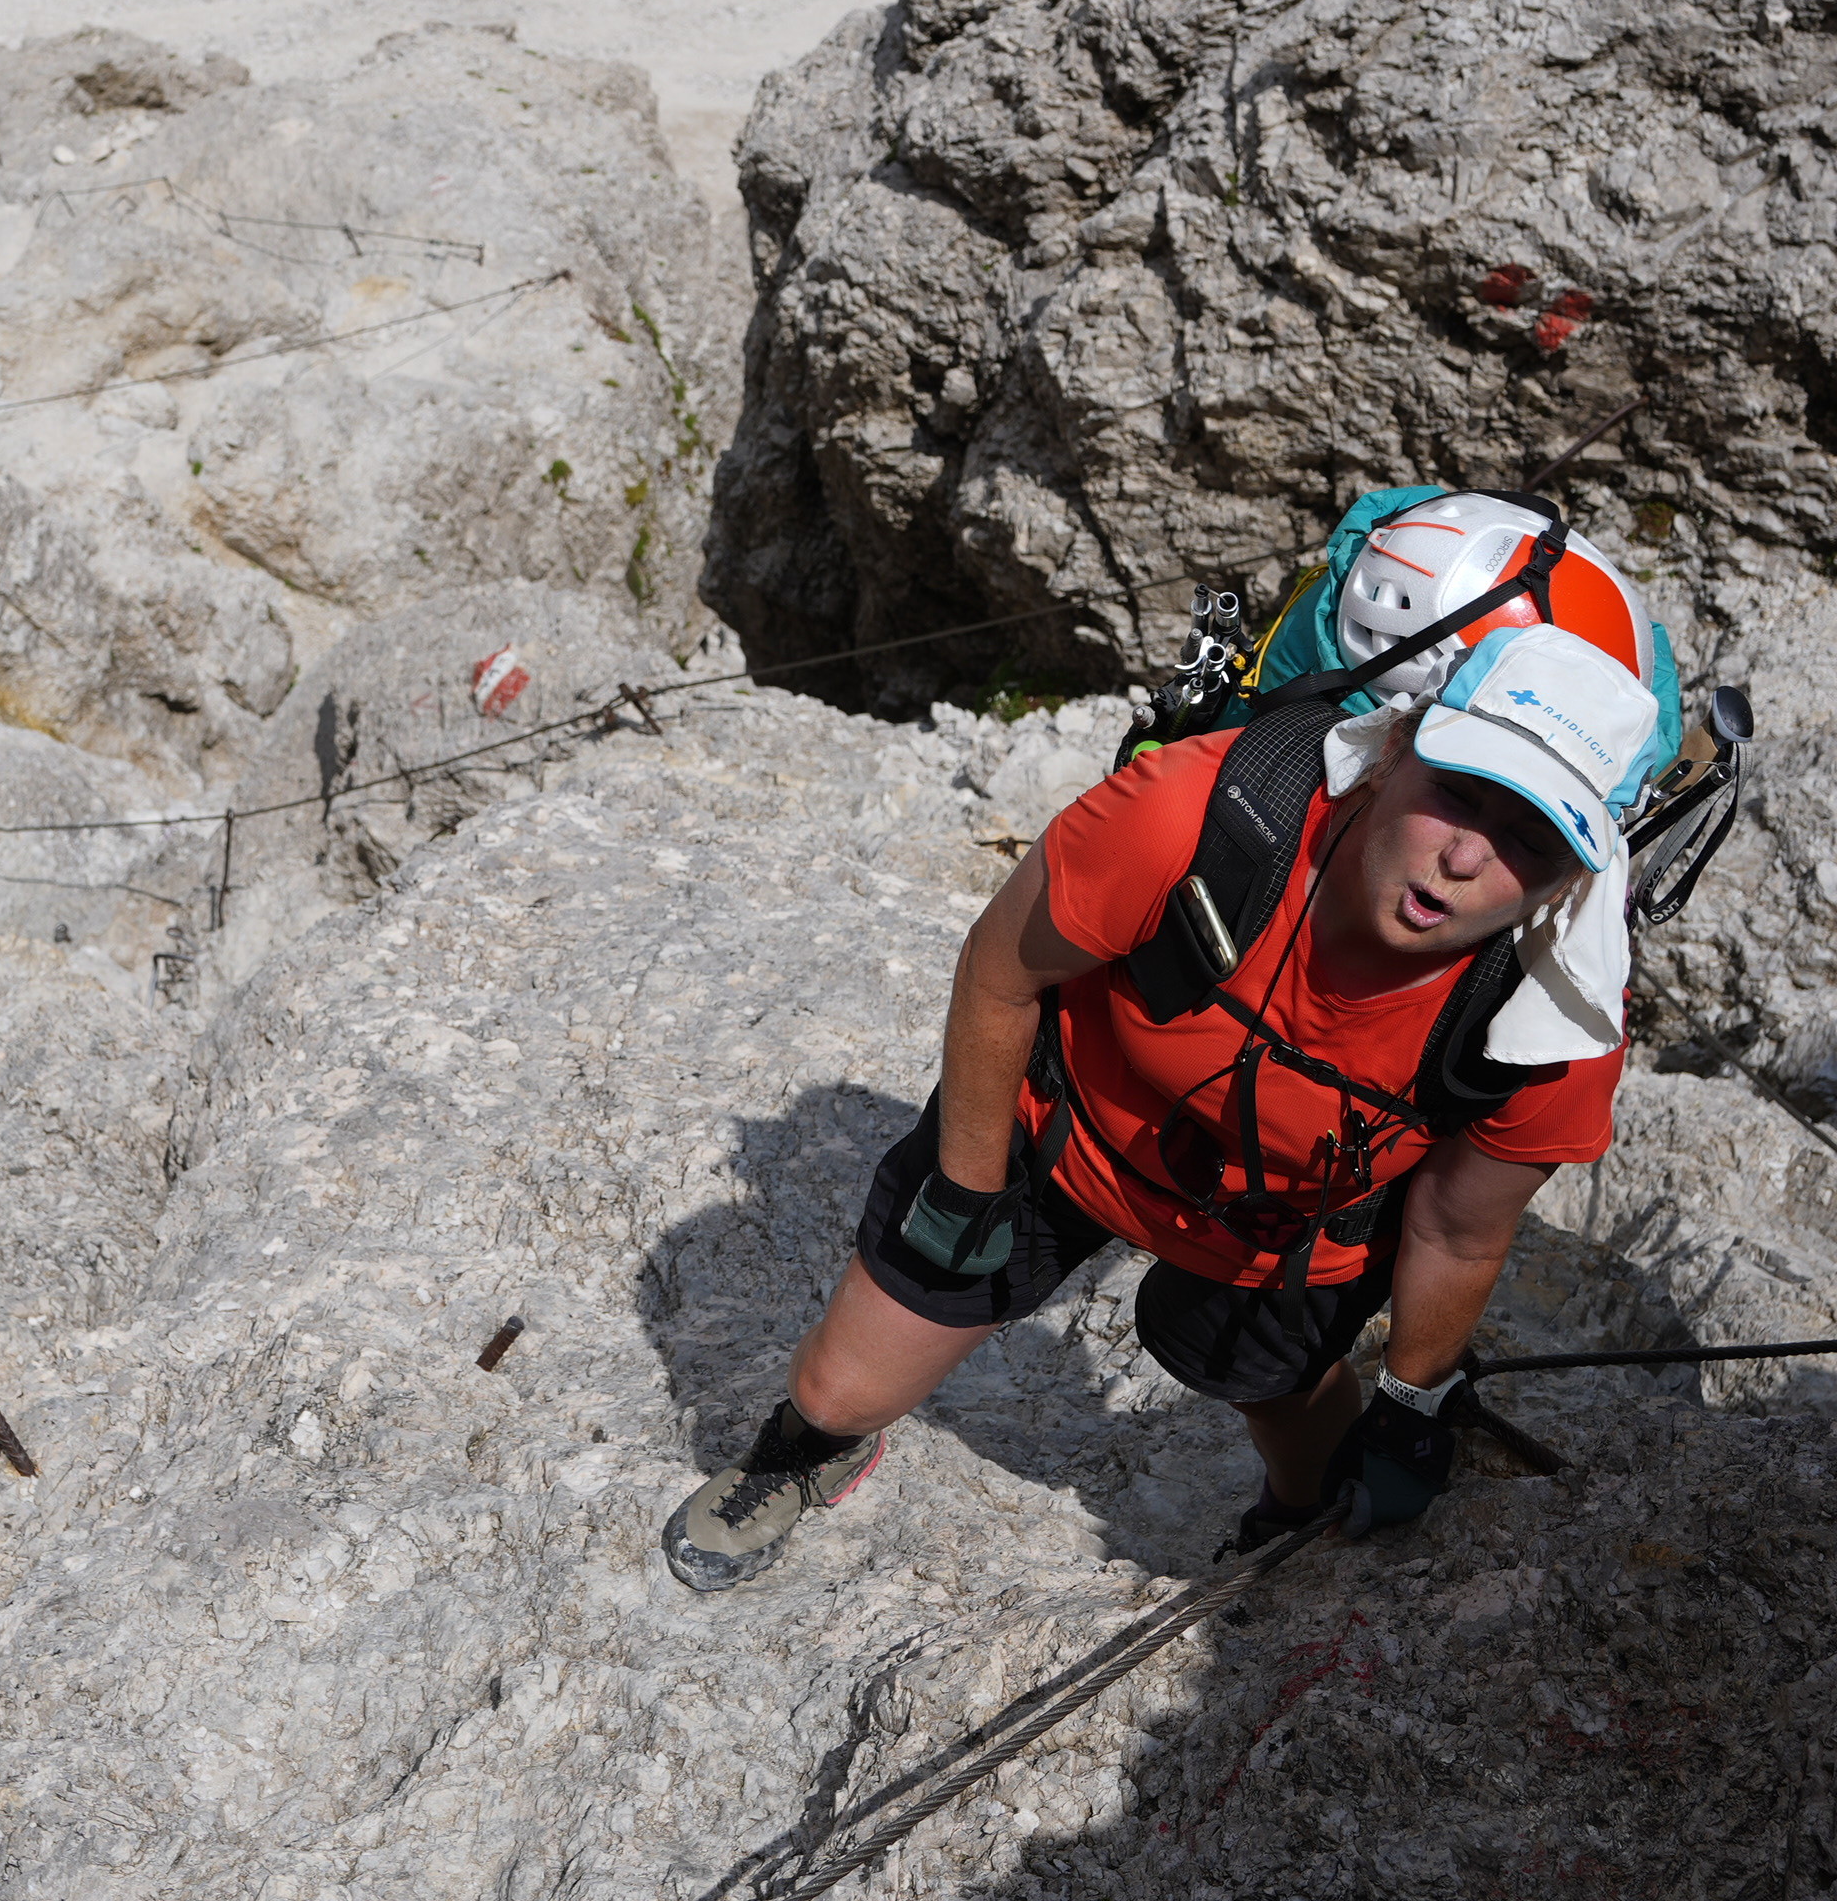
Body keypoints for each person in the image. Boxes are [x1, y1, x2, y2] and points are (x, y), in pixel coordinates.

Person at [663, 614, 1680, 1590]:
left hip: (1289, 1228)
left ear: (1566, 882)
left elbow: (1459, 1230)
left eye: (1530, 841)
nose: (1465, 859)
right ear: (1396, 747)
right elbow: (1003, 970)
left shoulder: (1549, 1024)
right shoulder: (1195, 815)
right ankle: (806, 1453)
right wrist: (966, 1181)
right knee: (837, 1390)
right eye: (1460, 792)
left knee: (1298, 1429)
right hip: (1068, 1130)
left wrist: (1413, 1399)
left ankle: (1292, 1520)